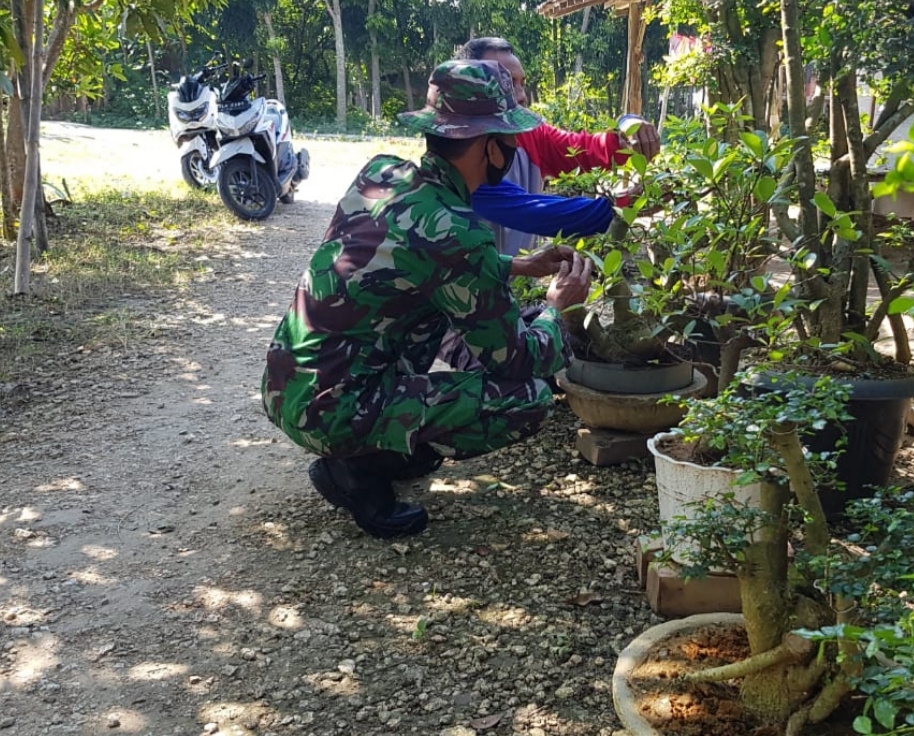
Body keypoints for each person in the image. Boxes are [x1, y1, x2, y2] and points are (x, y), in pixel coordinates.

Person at [261, 59, 592, 539]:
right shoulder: (460, 234)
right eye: (509, 139)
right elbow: (519, 361)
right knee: (528, 399)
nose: (514, 149)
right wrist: (557, 310)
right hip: (328, 413)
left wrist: (515, 265)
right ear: (487, 147)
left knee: (435, 319)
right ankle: (360, 469)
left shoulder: (382, 174)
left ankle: (374, 446)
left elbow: (410, 261)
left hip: (286, 385)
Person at [456, 36, 662, 258]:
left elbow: (584, 148)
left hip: (514, 285)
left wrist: (628, 126)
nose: (522, 96)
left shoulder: (531, 134)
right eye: (507, 83)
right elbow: (535, 212)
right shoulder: (460, 154)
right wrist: (623, 204)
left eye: (521, 83)